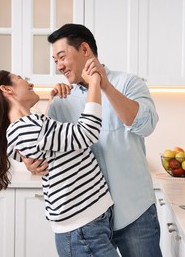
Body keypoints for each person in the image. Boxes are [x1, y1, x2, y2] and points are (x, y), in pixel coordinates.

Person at [23, 23, 161, 256]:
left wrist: (104, 85)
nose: (59, 66)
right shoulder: (61, 102)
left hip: (134, 212)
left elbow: (146, 126)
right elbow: (44, 147)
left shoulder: (128, 83)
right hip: (87, 219)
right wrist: (31, 163)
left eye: (62, 57)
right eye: (55, 61)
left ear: (85, 49)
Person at [0, 66, 119, 256]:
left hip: (87, 222)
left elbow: (48, 141)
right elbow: (87, 133)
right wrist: (94, 82)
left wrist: (52, 100)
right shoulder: (26, 129)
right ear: (7, 89)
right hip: (83, 228)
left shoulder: (26, 126)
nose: (29, 82)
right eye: (21, 78)